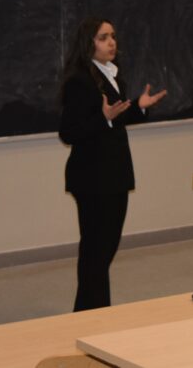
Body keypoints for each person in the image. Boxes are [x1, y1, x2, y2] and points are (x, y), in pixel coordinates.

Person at [58, 17, 167, 311]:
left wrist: (138, 108)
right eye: (104, 37)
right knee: (95, 251)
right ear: (88, 43)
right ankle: (91, 315)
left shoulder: (112, 76)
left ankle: (90, 312)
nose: (112, 42)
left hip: (115, 175)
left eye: (113, 36)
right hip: (92, 178)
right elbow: (69, 132)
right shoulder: (79, 81)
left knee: (104, 251)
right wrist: (104, 117)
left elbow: (114, 119)